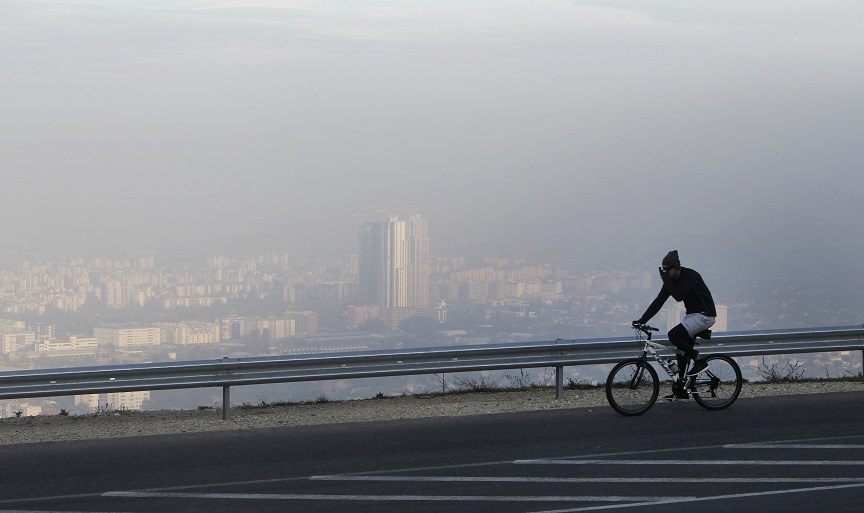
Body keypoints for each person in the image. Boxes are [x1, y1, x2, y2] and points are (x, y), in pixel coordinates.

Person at [632, 250, 716, 401]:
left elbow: (678, 296)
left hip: (705, 315)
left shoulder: (690, 276)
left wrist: (666, 281)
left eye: (666, 270)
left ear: (676, 267)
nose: (664, 273)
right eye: (662, 270)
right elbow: (659, 301)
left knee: (674, 335)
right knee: (681, 350)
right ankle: (681, 389)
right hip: (693, 315)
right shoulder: (670, 282)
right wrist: (642, 320)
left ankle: (699, 360)